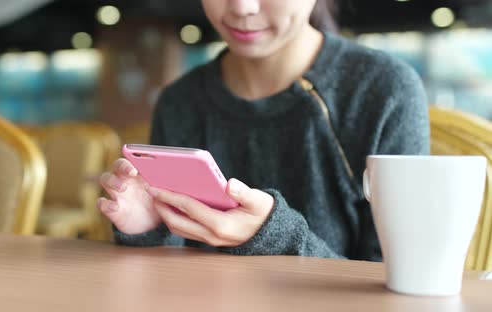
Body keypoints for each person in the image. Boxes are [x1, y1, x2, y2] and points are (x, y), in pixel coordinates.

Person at [96, 0, 429, 261]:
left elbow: (395, 278)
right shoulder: (179, 101)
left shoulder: (383, 90)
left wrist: (275, 237)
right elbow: (173, 264)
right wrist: (150, 229)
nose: (242, 8)